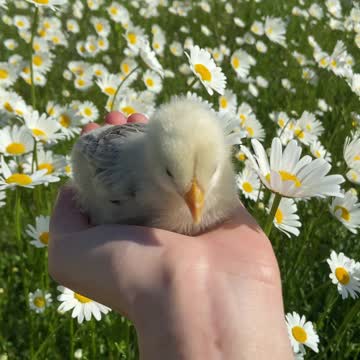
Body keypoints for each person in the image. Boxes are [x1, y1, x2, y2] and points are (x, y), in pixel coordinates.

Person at [48, 113, 293, 360]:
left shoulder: (213, 177)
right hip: (114, 149)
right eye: (170, 173)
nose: (196, 202)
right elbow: (88, 149)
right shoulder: (132, 182)